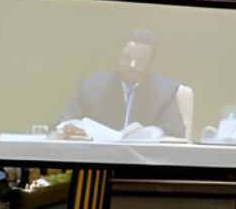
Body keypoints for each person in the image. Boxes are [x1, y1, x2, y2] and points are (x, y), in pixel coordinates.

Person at [58, 28, 187, 138]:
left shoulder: (165, 91)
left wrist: (152, 133)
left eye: (140, 60)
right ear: (118, 56)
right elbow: (67, 120)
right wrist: (71, 127)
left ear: (150, 64)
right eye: (127, 58)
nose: (132, 65)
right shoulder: (91, 86)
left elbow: (175, 130)